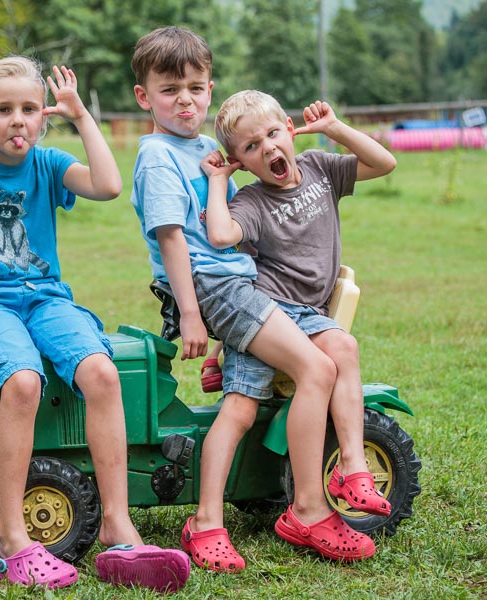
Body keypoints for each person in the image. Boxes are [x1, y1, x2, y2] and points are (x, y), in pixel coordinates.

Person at [0, 56, 189, 592]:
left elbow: (109, 186)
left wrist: (82, 117)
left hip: (45, 299)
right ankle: (12, 539)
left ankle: (118, 527)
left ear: (43, 117)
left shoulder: (47, 164)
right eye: (2, 110)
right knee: (23, 383)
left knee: (103, 375)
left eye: (28, 109)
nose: (17, 120)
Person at [130, 26, 389, 571]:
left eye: (196, 87)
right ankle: (309, 509)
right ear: (143, 96)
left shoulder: (202, 146)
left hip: (245, 286)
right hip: (216, 288)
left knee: (243, 406)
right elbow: (172, 239)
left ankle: (206, 522)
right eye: (170, 89)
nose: (186, 100)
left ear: (209, 87)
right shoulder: (157, 156)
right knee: (317, 370)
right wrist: (195, 314)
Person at [200, 89, 398, 565]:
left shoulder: (320, 167)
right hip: (270, 313)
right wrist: (215, 179)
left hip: (308, 315)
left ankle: (352, 469)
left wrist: (334, 127)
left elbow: (384, 162)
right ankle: (218, 517)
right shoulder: (250, 200)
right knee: (241, 409)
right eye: (251, 146)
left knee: (344, 349)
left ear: (289, 129)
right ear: (241, 161)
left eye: (272, 134)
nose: (267, 148)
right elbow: (222, 235)